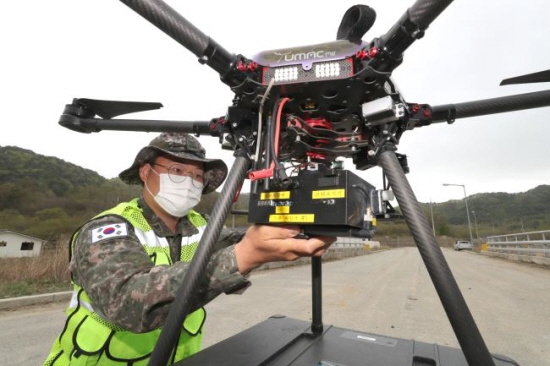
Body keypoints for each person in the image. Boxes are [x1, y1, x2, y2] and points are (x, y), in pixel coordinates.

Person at [44, 132, 335, 365]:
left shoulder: (201, 225)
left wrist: (302, 226)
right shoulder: (109, 228)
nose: (188, 181)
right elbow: (129, 304)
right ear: (146, 172)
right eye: (176, 169)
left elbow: (244, 238)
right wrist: (245, 256)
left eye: (196, 176)